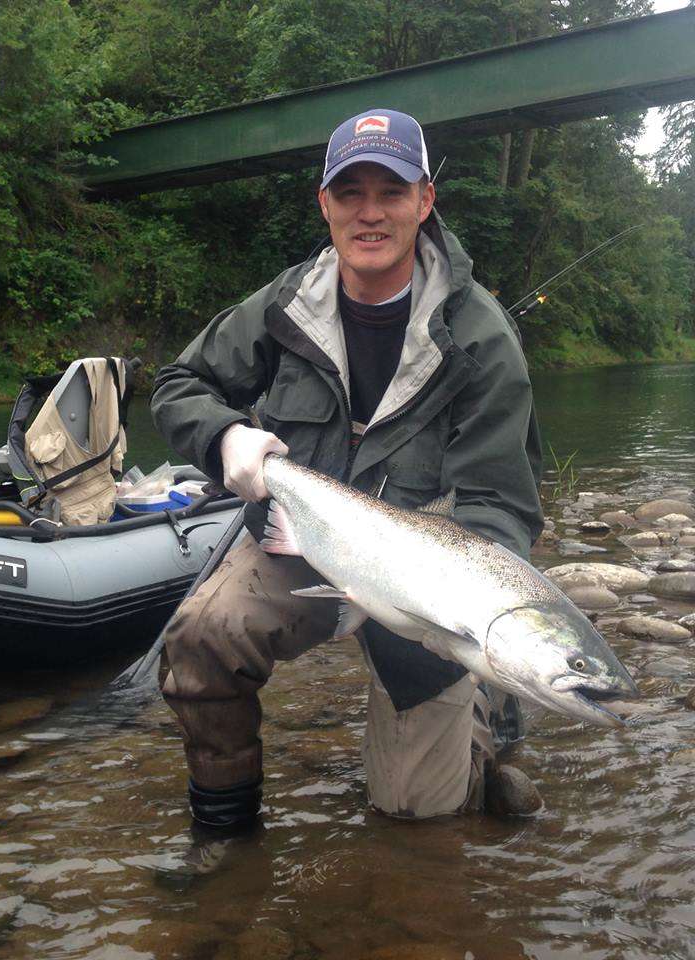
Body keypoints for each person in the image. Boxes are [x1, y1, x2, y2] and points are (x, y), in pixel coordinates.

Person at [150, 108, 544, 831]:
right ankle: (223, 834)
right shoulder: (284, 303)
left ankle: (484, 710)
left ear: (425, 202)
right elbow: (180, 385)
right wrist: (225, 438)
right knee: (202, 637)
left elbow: (502, 507)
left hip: (423, 583)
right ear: (324, 204)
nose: (371, 213)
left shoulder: (483, 338)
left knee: (412, 819)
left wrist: (469, 613)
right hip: (300, 537)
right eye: (351, 192)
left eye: (391, 192)